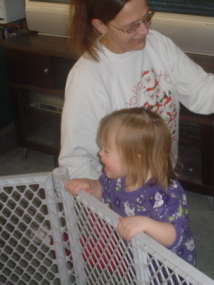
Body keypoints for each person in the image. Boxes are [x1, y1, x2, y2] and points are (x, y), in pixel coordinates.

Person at [59, 0, 214, 180]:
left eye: (146, 17)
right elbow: (76, 160)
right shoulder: (87, 77)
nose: (144, 30)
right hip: (117, 195)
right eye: (131, 26)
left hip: (161, 180)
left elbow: (203, 94)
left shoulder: (158, 44)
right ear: (100, 26)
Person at [64, 107, 196, 265]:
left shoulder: (165, 192)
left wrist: (146, 224)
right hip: (135, 256)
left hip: (168, 268)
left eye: (107, 151)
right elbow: (101, 189)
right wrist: (89, 184)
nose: (100, 154)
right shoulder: (117, 178)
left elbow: (173, 236)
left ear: (135, 158)